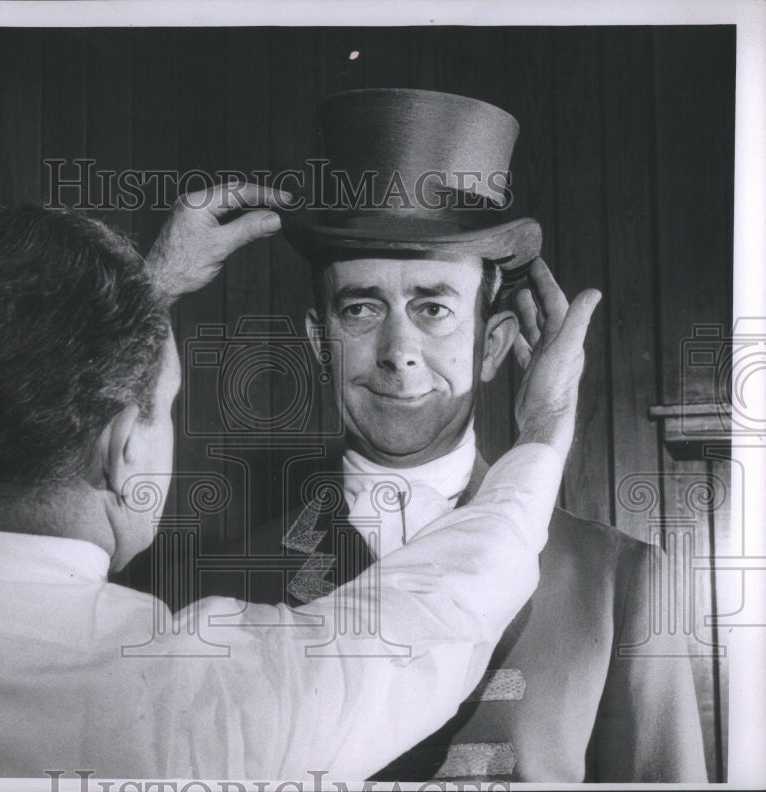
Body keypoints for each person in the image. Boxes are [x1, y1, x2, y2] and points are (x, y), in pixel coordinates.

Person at [0, 192, 599, 779]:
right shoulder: (204, 700)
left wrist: (140, 300)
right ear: (118, 450)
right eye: (163, 407)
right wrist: (548, 422)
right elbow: (449, 607)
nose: (396, 350)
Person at [194, 89, 707, 782]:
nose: (398, 350)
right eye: (362, 307)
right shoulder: (217, 589)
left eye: (433, 307)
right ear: (320, 343)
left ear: (492, 344)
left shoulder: (622, 584)